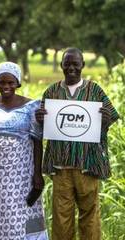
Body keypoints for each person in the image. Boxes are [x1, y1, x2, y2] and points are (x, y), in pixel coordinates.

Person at [35, 47, 119, 240]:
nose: (71, 68)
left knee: (89, 216)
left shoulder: (94, 90)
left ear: (83, 65)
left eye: (75, 64)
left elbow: (111, 116)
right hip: (61, 167)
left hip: (87, 165)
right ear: (61, 65)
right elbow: (42, 123)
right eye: (67, 64)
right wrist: (40, 118)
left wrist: (104, 120)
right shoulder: (52, 92)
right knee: (61, 218)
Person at [0, 62, 48, 239]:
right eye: (2, 82)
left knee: (24, 216)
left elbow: (37, 141)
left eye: (10, 82)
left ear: (18, 83)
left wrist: (38, 174)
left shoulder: (31, 107)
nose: (6, 86)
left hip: (22, 174)